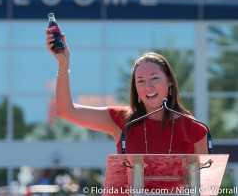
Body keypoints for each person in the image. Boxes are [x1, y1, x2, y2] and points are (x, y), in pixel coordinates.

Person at [45, 30, 208, 154]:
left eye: (154, 78)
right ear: (135, 89)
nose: (148, 86)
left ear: (170, 81)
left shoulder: (194, 129)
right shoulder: (122, 120)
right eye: (141, 81)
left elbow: (205, 185)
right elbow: (66, 111)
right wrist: (63, 64)